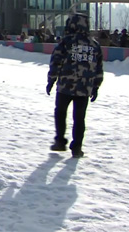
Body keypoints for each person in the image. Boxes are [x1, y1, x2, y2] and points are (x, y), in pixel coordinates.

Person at [46, 13, 103, 158]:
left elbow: (56, 62)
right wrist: (96, 86)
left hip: (66, 85)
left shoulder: (66, 41)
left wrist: (51, 80)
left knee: (60, 112)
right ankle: (77, 147)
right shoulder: (94, 45)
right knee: (79, 118)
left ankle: (60, 141)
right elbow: (98, 68)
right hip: (84, 88)